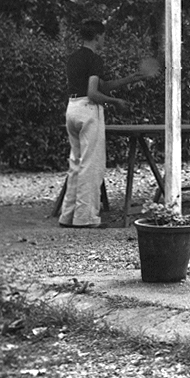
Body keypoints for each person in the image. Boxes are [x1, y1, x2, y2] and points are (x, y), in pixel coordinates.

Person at [59, 19, 159, 228]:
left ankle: (68, 216)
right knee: (91, 166)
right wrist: (116, 102)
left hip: (72, 108)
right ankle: (86, 218)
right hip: (88, 110)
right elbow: (93, 93)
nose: (104, 40)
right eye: (103, 36)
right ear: (97, 36)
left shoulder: (73, 58)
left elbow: (101, 85)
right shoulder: (95, 59)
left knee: (76, 164)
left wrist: (130, 78)